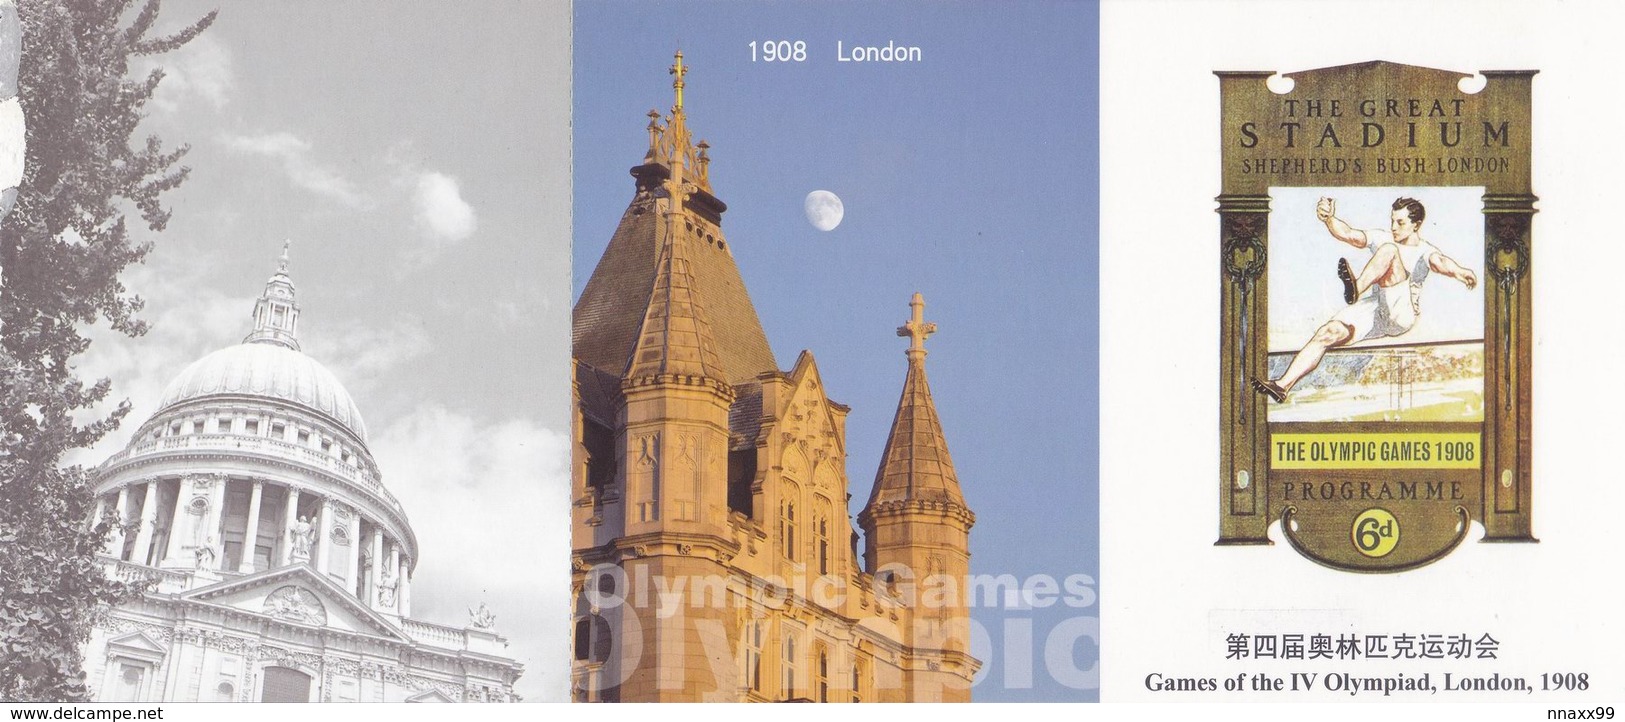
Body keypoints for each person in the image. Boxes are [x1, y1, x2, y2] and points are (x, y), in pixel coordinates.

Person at [1252, 196, 1478, 402]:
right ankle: (1283, 386)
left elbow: (1442, 263)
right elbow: (1349, 234)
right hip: (1374, 310)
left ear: (1416, 225)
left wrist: (1461, 272)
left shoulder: (1425, 250)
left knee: (1389, 251)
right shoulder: (1382, 237)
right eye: (1392, 221)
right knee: (1328, 332)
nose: (1393, 227)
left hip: (1401, 314)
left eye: (1400, 223)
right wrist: (1329, 218)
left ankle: (1356, 288)